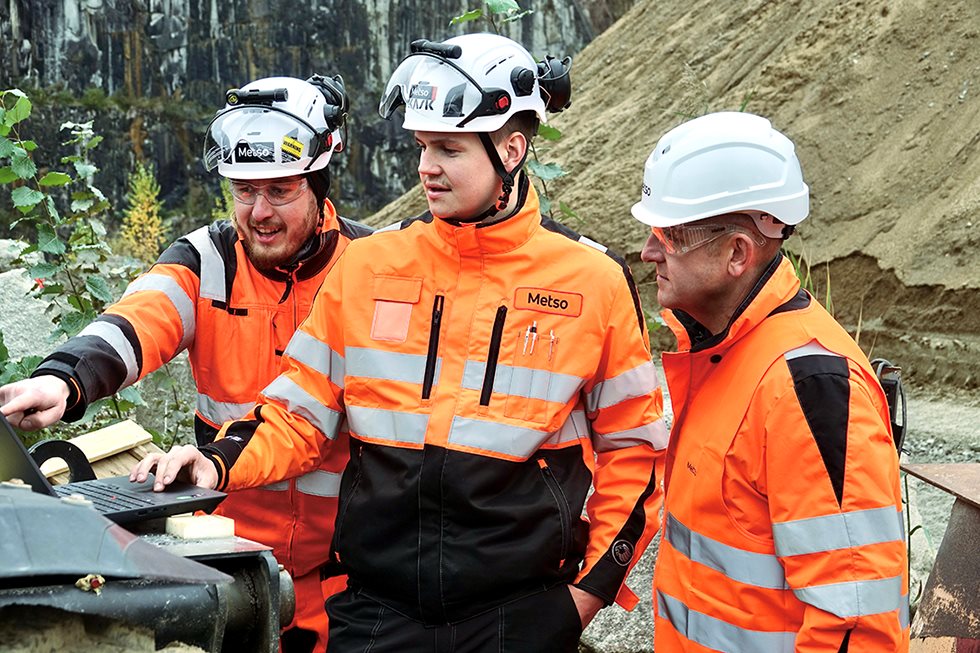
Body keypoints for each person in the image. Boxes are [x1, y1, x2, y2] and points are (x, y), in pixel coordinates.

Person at [133, 33, 668, 652]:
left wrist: (586, 598)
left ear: (513, 148)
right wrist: (216, 461)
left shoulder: (592, 281)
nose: (426, 168)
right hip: (374, 615)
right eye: (421, 146)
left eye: (449, 148)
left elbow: (635, 451)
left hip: (521, 616)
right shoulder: (369, 268)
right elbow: (299, 412)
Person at [0, 74, 372, 653]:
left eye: (280, 190)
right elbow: (137, 319)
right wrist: (63, 378)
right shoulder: (208, 259)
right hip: (229, 558)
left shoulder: (371, 271)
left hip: (352, 576)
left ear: (319, 183)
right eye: (243, 190)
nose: (259, 211)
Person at [631, 111, 909, 652]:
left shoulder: (810, 385)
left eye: (670, 233)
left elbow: (858, 624)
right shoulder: (723, 355)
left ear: (737, 252)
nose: (648, 250)